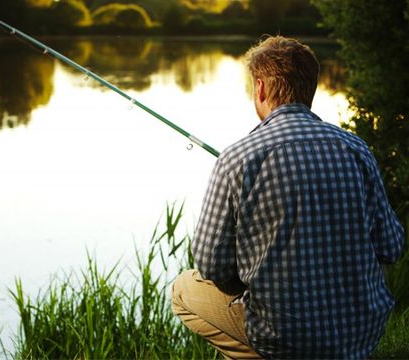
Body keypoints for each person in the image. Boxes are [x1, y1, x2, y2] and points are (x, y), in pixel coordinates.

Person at [171, 36, 404, 359]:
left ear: (261, 88)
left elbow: (211, 264)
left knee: (183, 290)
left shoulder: (237, 158)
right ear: (311, 89)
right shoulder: (356, 149)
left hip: (284, 338)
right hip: (360, 335)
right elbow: (391, 245)